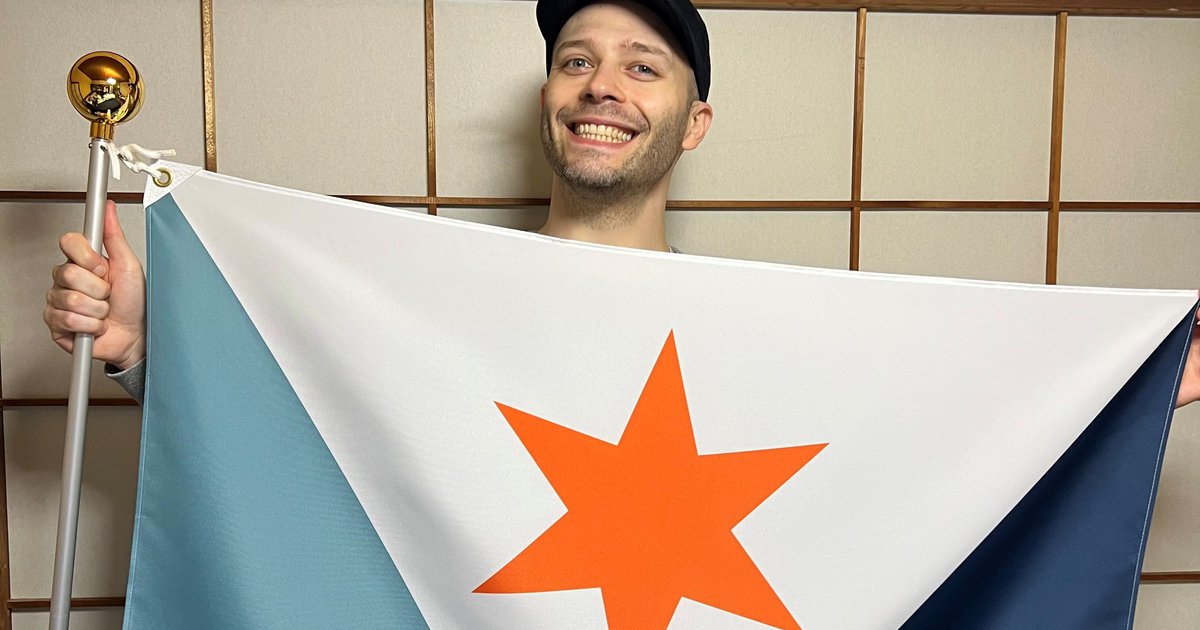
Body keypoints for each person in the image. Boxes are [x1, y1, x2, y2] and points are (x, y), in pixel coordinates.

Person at [42, 0, 1200, 408]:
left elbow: (936, 415)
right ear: (550, 97)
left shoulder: (767, 320)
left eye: (645, 66)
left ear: (692, 124)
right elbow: (302, 423)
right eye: (578, 58)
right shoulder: (430, 295)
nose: (603, 85)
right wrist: (142, 343)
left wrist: (1131, 378)